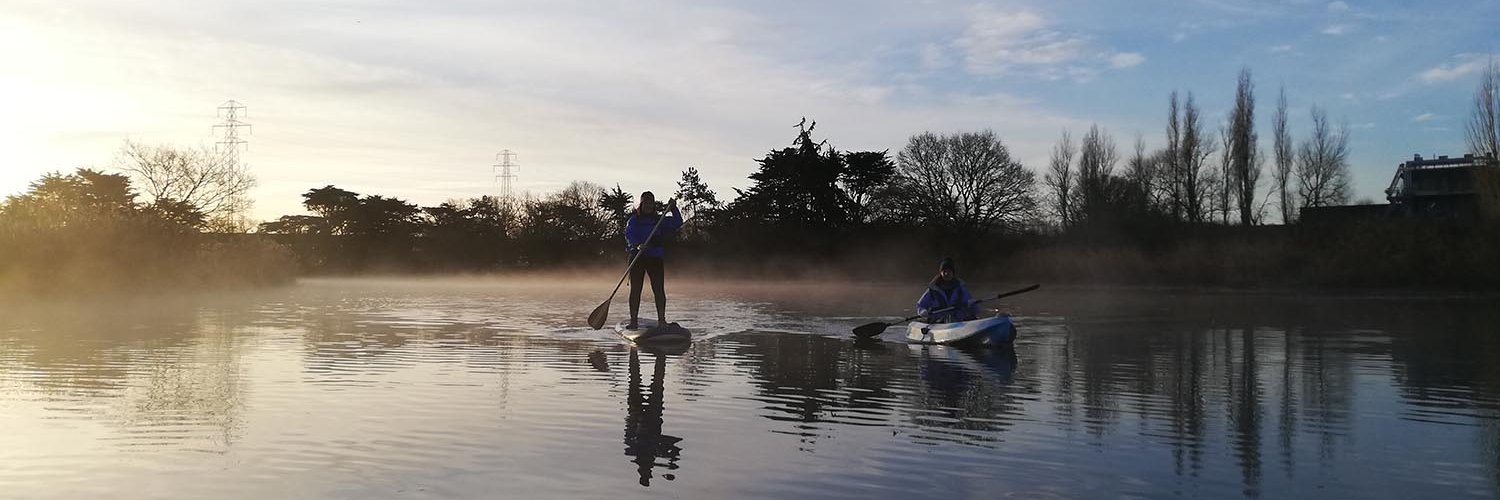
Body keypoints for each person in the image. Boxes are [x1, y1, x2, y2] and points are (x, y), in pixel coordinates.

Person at [624, 191, 682, 330]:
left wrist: (673, 208)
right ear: (641, 204)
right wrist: (637, 245)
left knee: (659, 290)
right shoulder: (634, 220)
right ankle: (633, 321)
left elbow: (678, 222)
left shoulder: (659, 221)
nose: (649, 206)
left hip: (655, 257)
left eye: (651, 203)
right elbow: (629, 235)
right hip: (638, 257)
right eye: (646, 203)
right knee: (636, 290)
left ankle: (662, 321)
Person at [916, 257, 978, 323]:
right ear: (940, 273)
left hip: (959, 323)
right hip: (938, 323)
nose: (946, 274)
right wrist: (922, 311)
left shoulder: (961, 289)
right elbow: (920, 305)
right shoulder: (933, 289)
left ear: (953, 273)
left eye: (949, 271)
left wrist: (972, 305)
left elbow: (976, 310)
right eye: (944, 271)